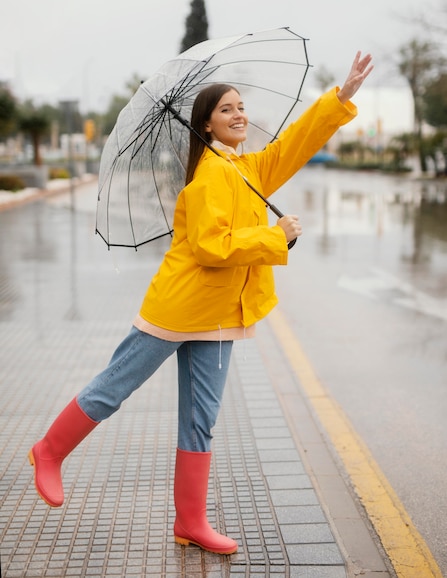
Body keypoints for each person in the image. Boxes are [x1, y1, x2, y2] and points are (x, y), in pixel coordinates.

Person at [29, 52, 373, 555]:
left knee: (200, 418)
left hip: (219, 317)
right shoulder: (211, 174)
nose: (239, 115)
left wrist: (339, 99)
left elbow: (296, 145)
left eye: (241, 106)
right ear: (206, 123)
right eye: (227, 109)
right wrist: (275, 237)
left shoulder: (246, 168)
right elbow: (213, 247)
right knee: (113, 387)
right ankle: (49, 451)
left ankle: (190, 521)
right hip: (178, 309)